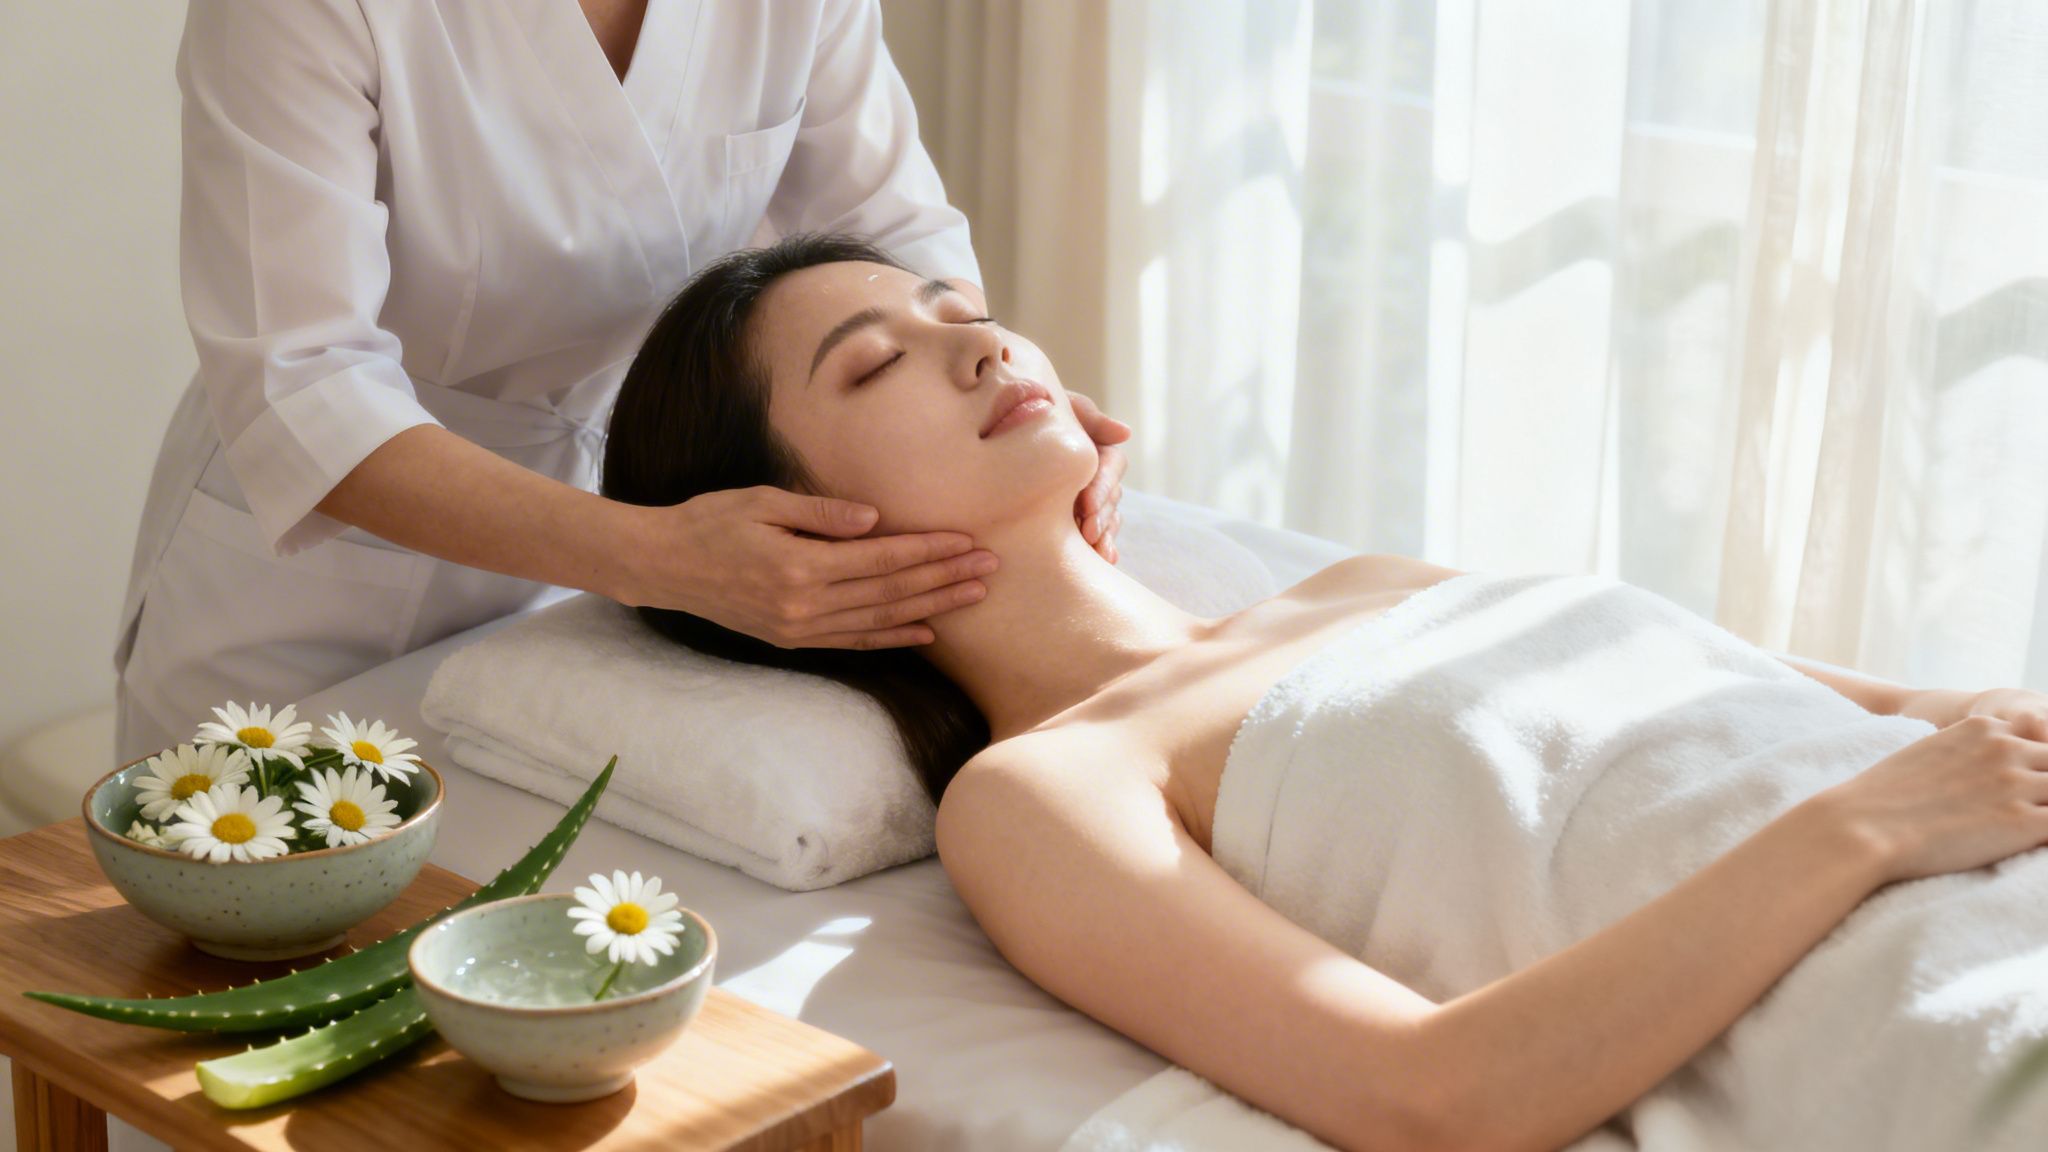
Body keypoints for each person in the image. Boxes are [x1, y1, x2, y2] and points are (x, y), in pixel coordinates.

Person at [600, 233, 2048, 1152]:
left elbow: (1880, 713)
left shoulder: (1363, 582)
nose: (982, 344)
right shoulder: (1048, 790)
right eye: (877, 366)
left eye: (960, 309)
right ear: (780, 531)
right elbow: (1432, 1099)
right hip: (1928, 1013)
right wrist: (1874, 828)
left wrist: (1937, 754)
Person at [114, 0, 1131, 764]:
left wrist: (992, 383)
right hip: (306, 592)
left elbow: (895, 234)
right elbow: (303, 385)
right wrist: (653, 558)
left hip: (613, 559)